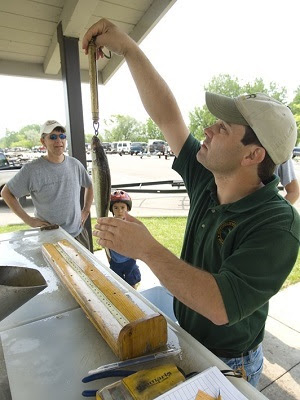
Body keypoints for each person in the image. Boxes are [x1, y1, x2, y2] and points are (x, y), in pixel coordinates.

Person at [82, 20, 300, 387]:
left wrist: (147, 249)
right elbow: (167, 115)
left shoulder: (278, 225)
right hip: (186, 336)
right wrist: (130, 50)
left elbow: (220, 306)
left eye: (223, 128)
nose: (209, 130)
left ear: (252, 156)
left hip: (231, 361)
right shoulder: (208, 178)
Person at [1, 120, 93, 250]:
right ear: (43, 141)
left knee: (86, 270)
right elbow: (6, 193)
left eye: (62, 136)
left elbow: (89, 185)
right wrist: (29, 220)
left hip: (78, 235)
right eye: (53, 137)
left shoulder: (75, 165)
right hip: (50, 239)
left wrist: (86, 210)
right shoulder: (31, 170)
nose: (59, 141)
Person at [108, 190, 141, 289]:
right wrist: (109, 259)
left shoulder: (131, 225)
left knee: (132, 282)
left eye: (123, 207)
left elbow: (136, 243)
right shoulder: (109, 224)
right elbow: (106, 244)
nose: (119, 211)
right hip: (115, 262)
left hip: (129, 260)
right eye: (116, 208)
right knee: (117, 285)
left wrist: (134, 258)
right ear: (112, 209)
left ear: (128, 208)